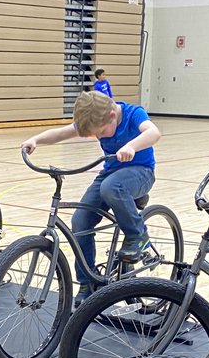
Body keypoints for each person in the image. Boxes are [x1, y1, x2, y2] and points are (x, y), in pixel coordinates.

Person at [22, 90, 160, 307]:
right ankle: (88, 282)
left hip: (141, 172)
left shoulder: (134, 114)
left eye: (101, 132)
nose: (101, 137)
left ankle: (138, 236)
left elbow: (154, 133)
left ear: (112, 115)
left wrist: (132, 146)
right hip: (111, 175)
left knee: (111, 187)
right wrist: (35, 139)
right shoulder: (99, 117)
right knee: (80, 220)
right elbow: (60, 134)